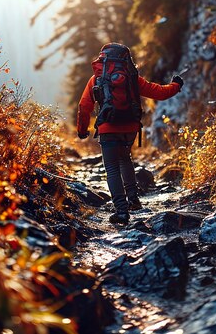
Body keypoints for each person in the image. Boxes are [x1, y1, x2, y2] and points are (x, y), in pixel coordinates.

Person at [77, 43, 183, 225]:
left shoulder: (96, 79)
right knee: (125, 159)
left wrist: (82, 129)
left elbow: (84, 106)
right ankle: (133, 200)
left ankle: (121, 211)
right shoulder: (133, 79)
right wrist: (176, 84)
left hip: (108, 128)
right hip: (130, 128)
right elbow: (160, 92)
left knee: (111, 168)